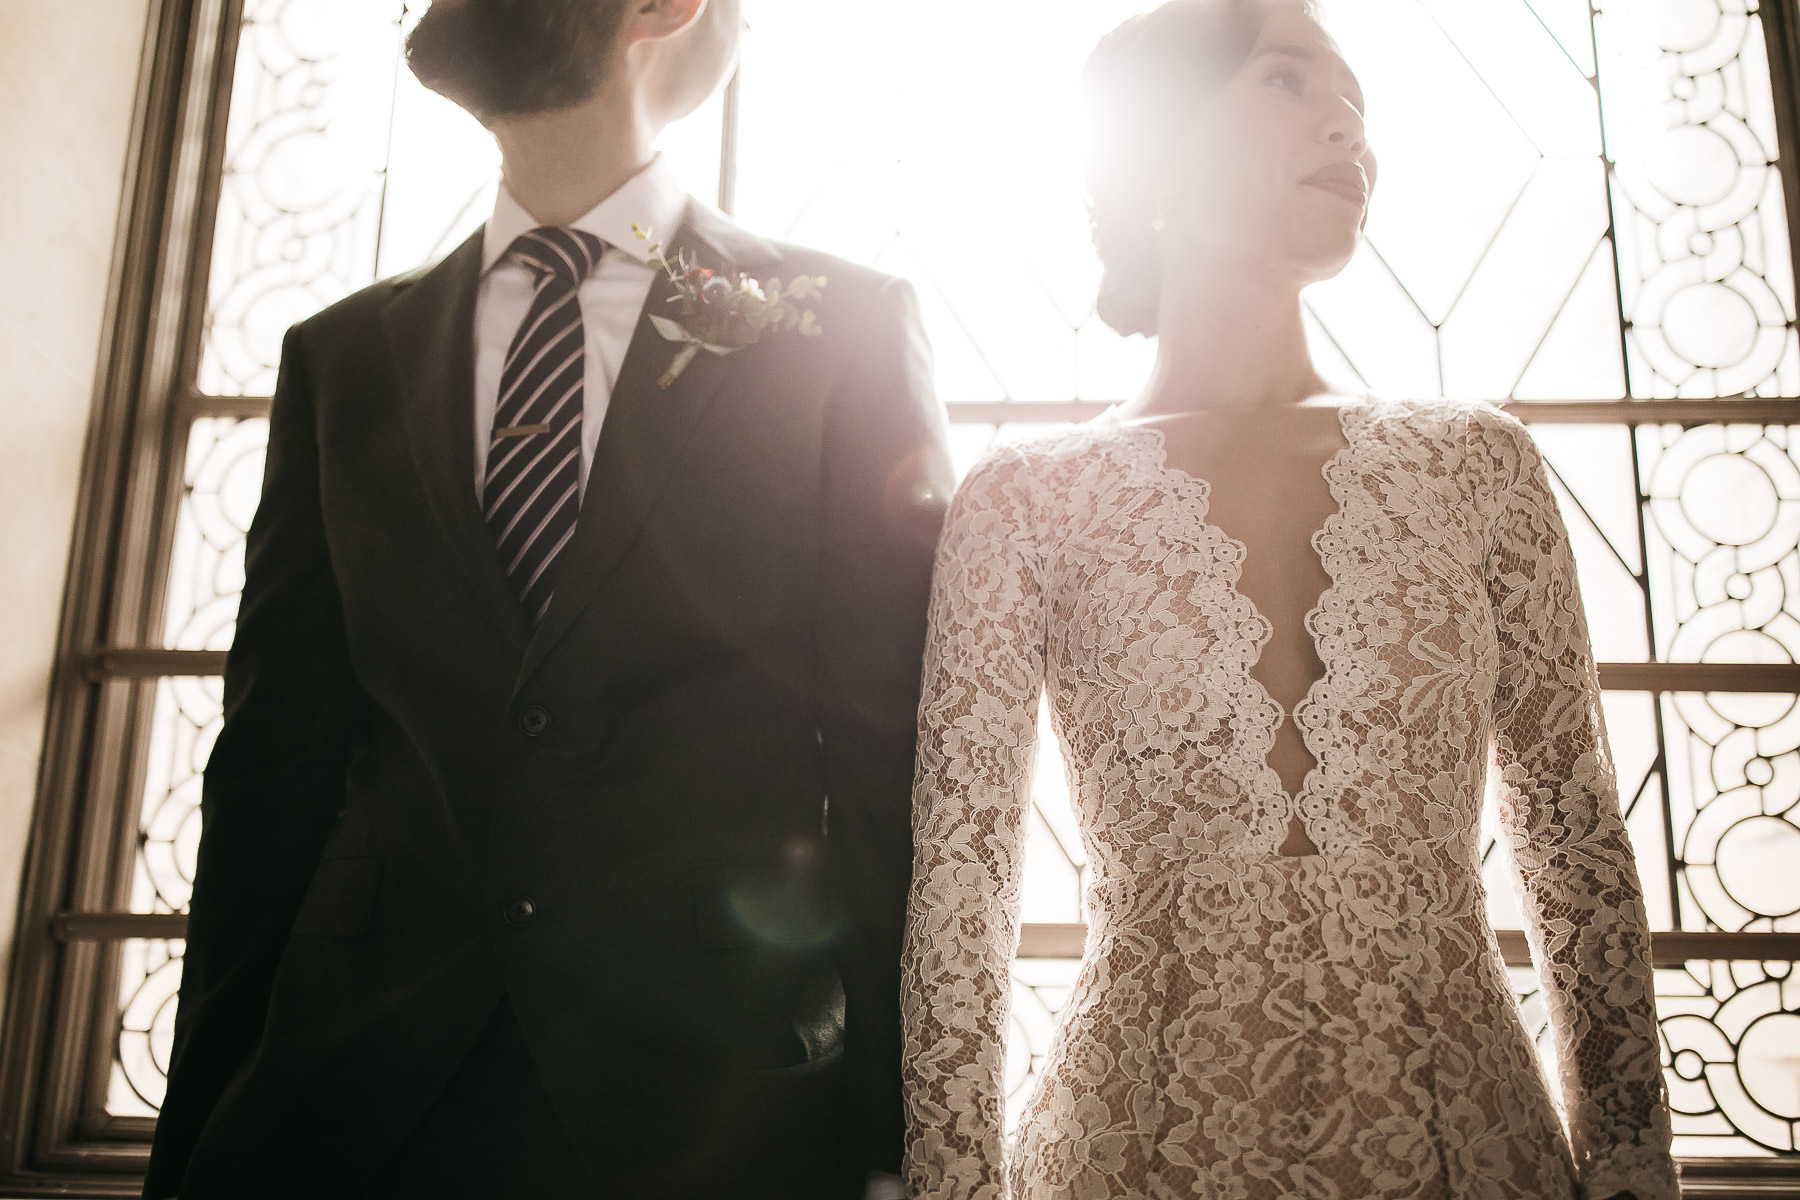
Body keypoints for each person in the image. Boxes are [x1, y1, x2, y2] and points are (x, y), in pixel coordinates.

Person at [144, 1, 952, 1196]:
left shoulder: (844, 329)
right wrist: (193, 1144)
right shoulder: (343, 356)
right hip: (352, 1101)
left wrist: (893, 1149)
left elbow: (896, 772)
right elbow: (272, 768)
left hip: (711, 1101)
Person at [898, 1, 1679, 1197]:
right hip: (1136, 1152)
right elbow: (961, 895)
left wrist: (1631, 1174)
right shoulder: (1025, 500)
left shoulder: (1479, 466)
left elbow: (1577, 853)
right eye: (1288, 80)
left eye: (1356, 100)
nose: (1347, 125)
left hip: (1469, 1149)